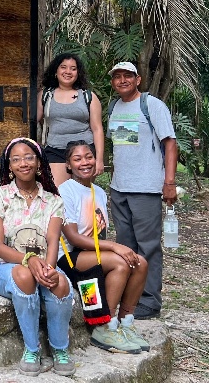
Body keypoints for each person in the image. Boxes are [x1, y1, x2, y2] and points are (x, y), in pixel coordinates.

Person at [0, 137, 76, 378]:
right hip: (5, 266)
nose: (23, 163)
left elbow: (53, 240)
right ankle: (32, 350)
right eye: (16, 159)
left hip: (43, 263)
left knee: (61, 282)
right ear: (9, 166)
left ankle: (59, 349)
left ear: (39, 162)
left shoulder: (53, 201)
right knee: (24, 275)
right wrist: (28, 260)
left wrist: (49, 269)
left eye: (29, 157)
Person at [57, 141, 150, 354]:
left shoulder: (98, 191)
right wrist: (115, 247)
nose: (85, 162)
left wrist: (112, 248)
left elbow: (99, 232)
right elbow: (73, 236)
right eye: (77, 159)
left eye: (88, 156)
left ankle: (125, 323)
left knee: (140, 263)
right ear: (68, 165)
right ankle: (104, 326)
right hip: (70, 256)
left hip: (93, 251)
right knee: (120, 263)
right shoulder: (65, 191)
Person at [106, 61, 178, 320]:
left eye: (128, 76)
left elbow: (170, 143)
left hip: (146, 188)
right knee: (126, 246)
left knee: (147, 247)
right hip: (119, 188)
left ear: (138, 79)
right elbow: (122, 146)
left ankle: (149, 300)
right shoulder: (114, 107)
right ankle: (129, 297)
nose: (122, 80)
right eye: (117, 77)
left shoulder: (152, 105)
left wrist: (168, 182)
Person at [36, 53, 105, 187]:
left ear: (78, 73)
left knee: (83, 196)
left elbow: (97, 129)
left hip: (84, 151)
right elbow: (30, 122)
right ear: (56, 70)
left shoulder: (88, 97)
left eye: (73, 68)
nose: (68, 72)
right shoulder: (45, 95)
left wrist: (99, 159)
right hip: (55, 150)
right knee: (57, 195)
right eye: (63, 67)